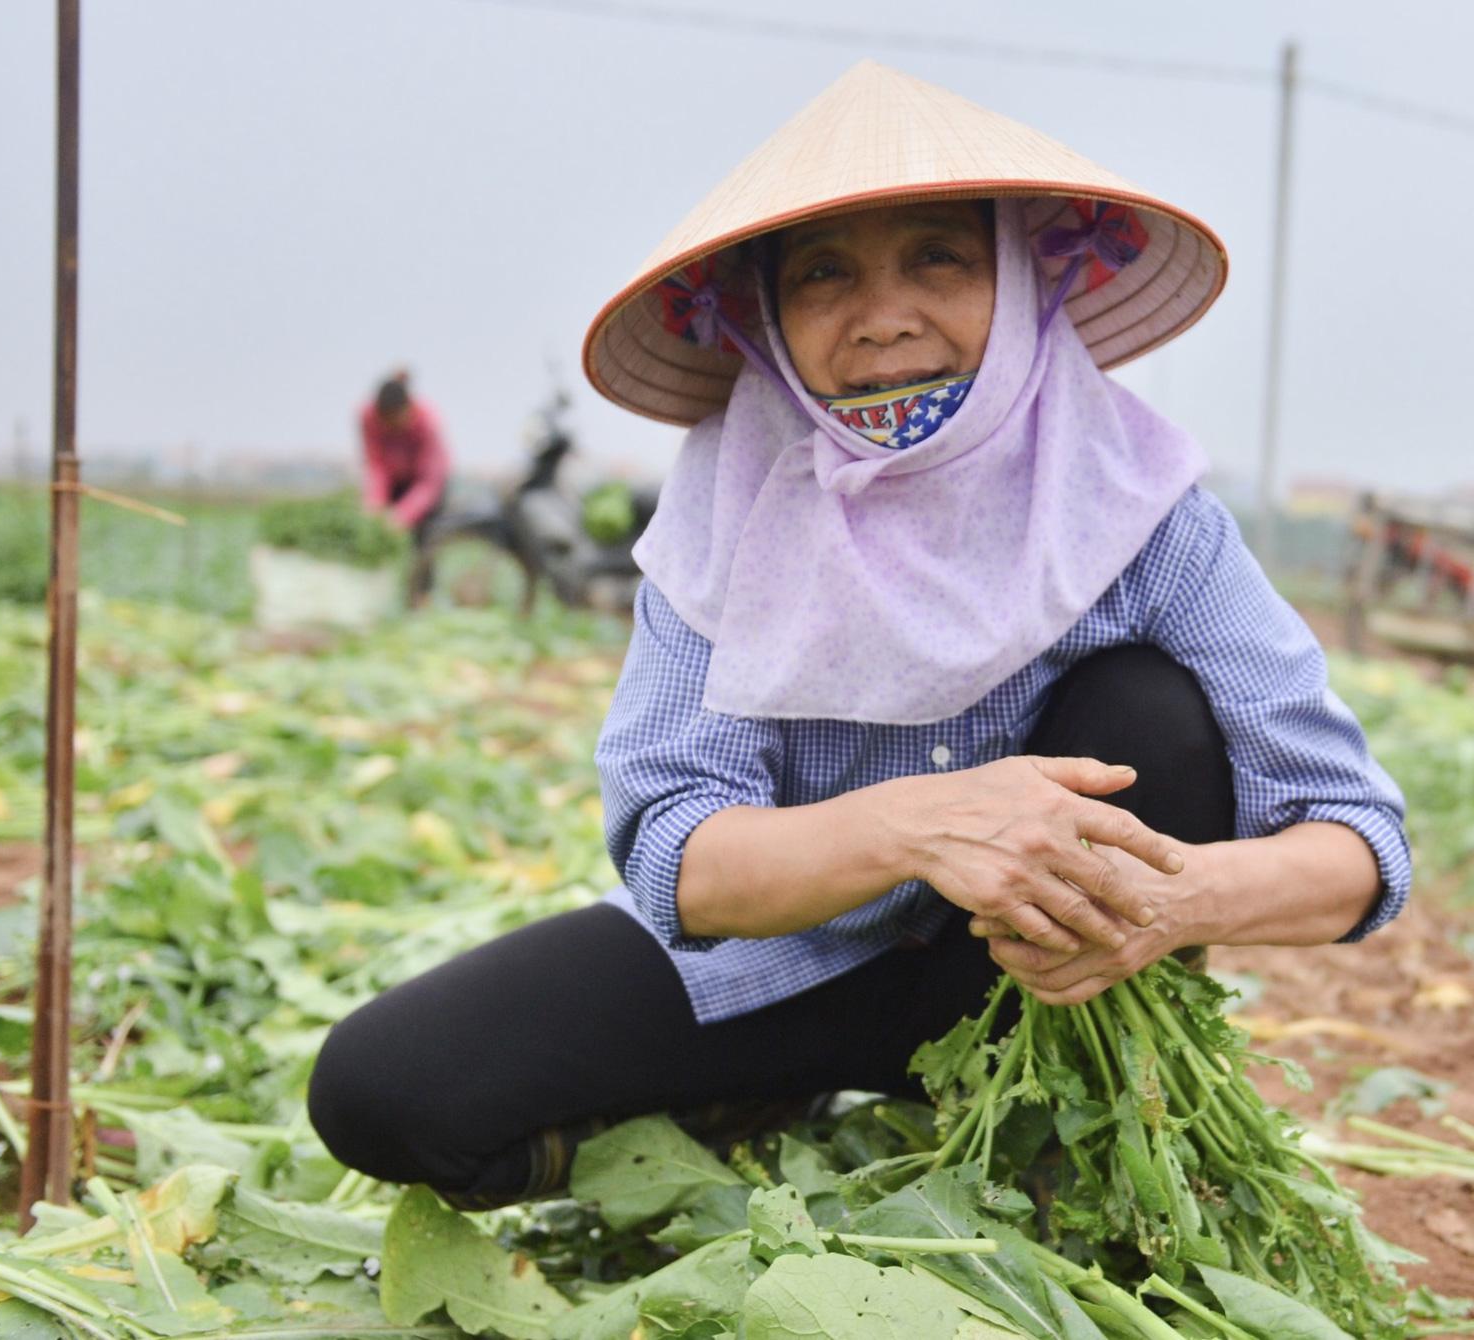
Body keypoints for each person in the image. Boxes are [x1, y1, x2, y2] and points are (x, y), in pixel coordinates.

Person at [308, 62, 1412, 1210]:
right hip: (780, 958)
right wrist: (916, 827)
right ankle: (728, 1118)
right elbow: (670, 845)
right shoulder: (725, 511)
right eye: (825, 273)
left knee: (1150, 714)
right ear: (770, 317)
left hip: (1039, 981)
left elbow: (1358, 844)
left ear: (1019, 281)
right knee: (381, 1086)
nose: (882, 316)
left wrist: (1179, 902)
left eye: (936, 256)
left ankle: (1040, 1126)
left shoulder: (1142, 513)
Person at [357, 370, 451, 598]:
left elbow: (429, 482)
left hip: (427, 482)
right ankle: (374, 596)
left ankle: (423, 599)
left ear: (408, 408)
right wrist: (374, 506)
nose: (392, 429)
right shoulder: (367, 416)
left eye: (396, 422)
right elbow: (375, 465)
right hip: (393, 478)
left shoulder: (428, 421)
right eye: (387, 423)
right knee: (374, 534)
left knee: (426, 538)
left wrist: (401, 516)